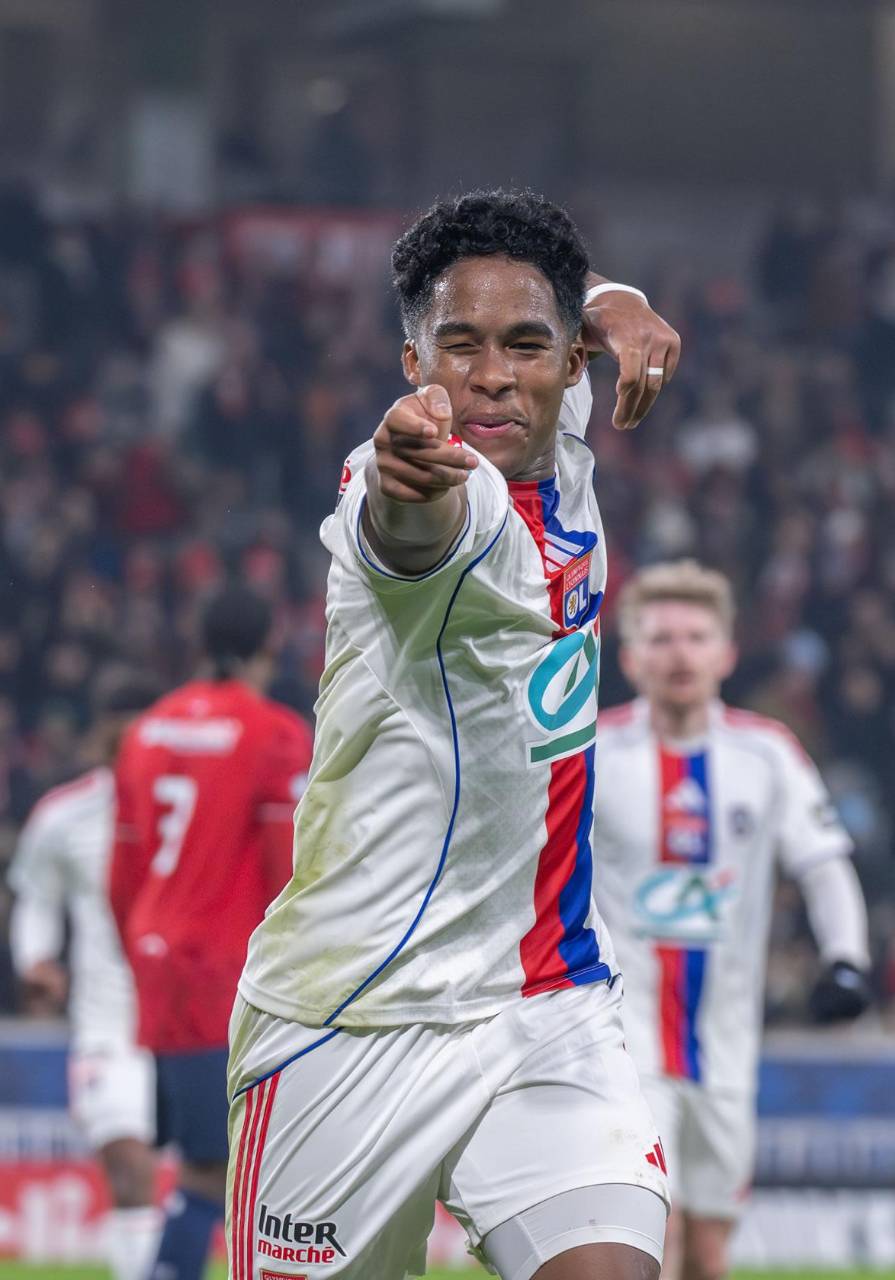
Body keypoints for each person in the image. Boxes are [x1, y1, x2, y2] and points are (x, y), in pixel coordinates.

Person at [226, 188, 681, 1280]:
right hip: (351, 1014)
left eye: (525, 346)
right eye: (456, 347)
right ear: (409, 363)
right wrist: (403, 474)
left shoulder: (559, 432)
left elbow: (557, 300)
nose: (488, 373)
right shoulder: (428, 489)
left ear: (574, 368)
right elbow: (405, 521)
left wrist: (618, 299)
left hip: (547, 1001)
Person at [593, 560, 872, 1280]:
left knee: (710, 1250)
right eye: (660, 639)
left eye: (695, 636)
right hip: (623, 1035)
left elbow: (824, 863)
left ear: (726, 652)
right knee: (658, 1227)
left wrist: (847, 959)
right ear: (629, 657)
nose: (679, 653)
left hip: (725, 1040)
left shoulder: (766, 753)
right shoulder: (592, 752)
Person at [109, 586, 313, 1280]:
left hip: (158, 963)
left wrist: (144, 951)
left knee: (208, 1161)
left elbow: (123, 872)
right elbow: (285, 869)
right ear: (269, 646)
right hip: (233, 969)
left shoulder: (145, 731)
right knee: (231, 1166)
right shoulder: (275, 733)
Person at [8, 674, 163, 1280]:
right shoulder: (64, 815)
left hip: (191, 1022)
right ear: (99, 739)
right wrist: (35, 960)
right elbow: (35, 897)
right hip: (107, 1028)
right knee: (129, 1168)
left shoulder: (190, 803)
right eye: (115, 737)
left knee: (215, 1175)